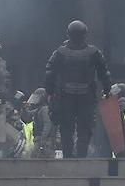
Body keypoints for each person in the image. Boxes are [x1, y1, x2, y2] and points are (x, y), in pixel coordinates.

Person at [43, 20, 111, 159]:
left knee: (66, 129)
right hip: (86, 97)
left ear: (68, 34)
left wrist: (49, 92)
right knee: (84, 129)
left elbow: (49, 72)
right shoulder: (94, 52)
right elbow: (104, 72)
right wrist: (107, 88)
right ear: (85, 34)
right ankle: (81, 158)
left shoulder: (60, 52)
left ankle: (68, 157)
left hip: (65, 97)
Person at [25, 88, 57, 159]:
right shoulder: (40, 109)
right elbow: (27, 118)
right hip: (40, 139)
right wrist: (25, 109)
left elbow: (47, 124)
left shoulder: (45, 109)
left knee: (41, 159)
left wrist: (43, 138)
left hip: (45, 141)